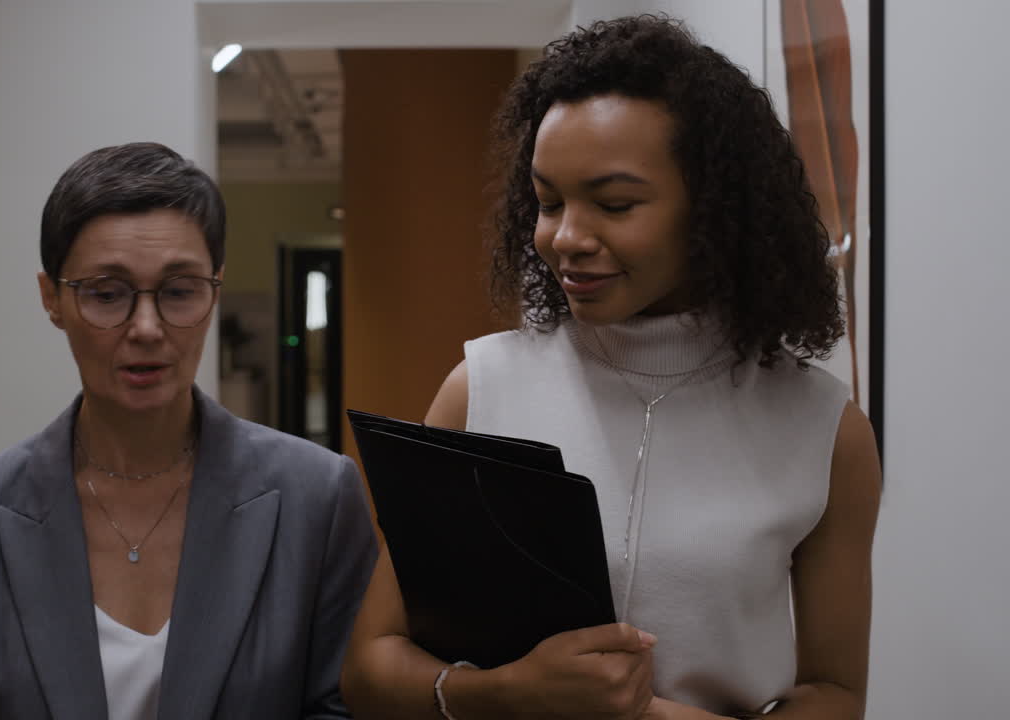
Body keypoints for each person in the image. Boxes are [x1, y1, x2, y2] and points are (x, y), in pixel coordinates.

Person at [340, 15, 880, 720]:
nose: (565, 238)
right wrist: (508, 694)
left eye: (614, 204)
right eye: (548, 202)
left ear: (714, 210)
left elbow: (837, 695)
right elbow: (370, 669)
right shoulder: (480, 389)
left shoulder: (822, 429)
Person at [0, 142, 378, 719]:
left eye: (179, 291)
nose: (148, 328)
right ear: (52, 298)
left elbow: (346, 709)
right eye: (108, 294)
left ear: (215, 289)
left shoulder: (318, 497)